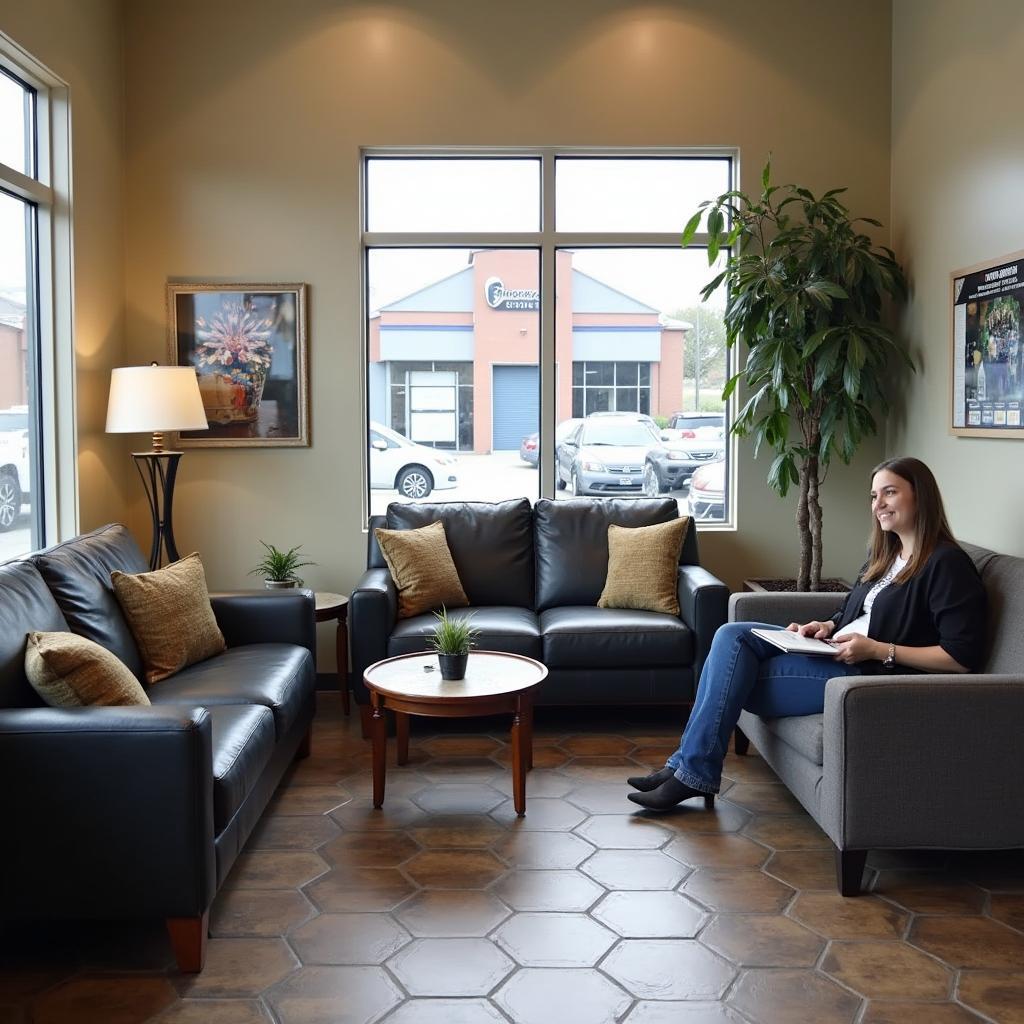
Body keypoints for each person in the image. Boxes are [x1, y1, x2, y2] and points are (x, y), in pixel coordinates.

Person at [627, 456, 988, 811]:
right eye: (874, 496)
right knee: (730, 635)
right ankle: (684, 767)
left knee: (730, 674)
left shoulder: (946, 564)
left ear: (920, 496)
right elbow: (855, 611)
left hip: (867, 674)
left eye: (889, 493)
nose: (878, 504)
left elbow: (961, 658)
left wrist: (878, 650)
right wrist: (826, 625)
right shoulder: (887, 553)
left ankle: (689, 771)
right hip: (834, 651)